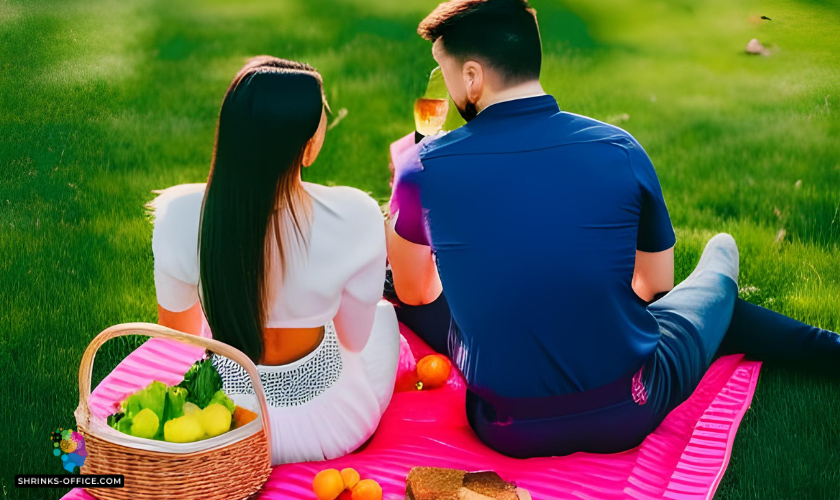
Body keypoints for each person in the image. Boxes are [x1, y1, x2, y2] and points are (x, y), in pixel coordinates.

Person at [387, 0, 840, 458]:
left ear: (471, 76)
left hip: (505, 428)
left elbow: (417, 292)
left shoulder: (419, 168)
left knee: (463, 297)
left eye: (442, 72)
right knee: (716, 277)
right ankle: (794, 323)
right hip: (626, 410)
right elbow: (656, 285)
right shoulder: (619, 149)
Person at [150, 56, 400, 465]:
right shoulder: (356, 214)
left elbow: (179, 335)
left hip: (222, 426)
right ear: (308, 146)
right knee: (383, 319)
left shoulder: (178, 212)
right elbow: (354, 339)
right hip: (332, 427)